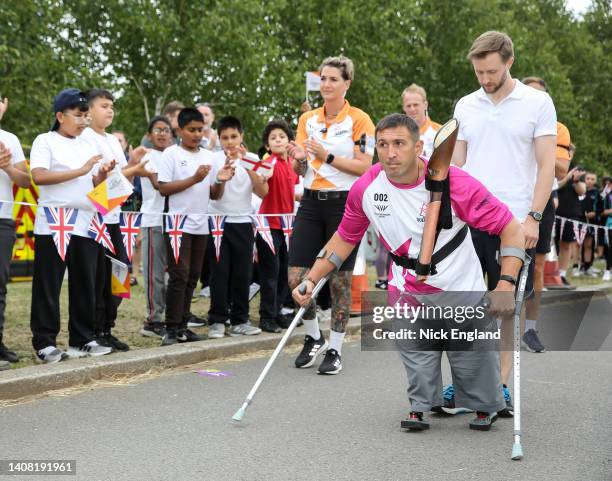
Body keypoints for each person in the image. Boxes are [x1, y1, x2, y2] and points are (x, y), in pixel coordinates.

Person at [293, 113, 525, 430]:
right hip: (407, 289)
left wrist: (505, 283)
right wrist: (312, 278)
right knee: (418, 357)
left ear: (418, 147)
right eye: (384, 144)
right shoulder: (366, 187)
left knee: (471, 360)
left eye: (399, 144)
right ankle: (422, 405)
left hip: (460, 287)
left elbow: (511, 229)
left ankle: (484, 404)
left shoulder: (455, 182)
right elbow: (344, 238)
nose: (390, 153)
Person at [451, 31, 557, 416]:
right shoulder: (465, 105)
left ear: (509, 62)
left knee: (505, 304)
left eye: (491, 71)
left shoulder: (537, 103)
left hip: (514, 219)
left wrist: (534, 217)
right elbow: (457, 166)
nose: (484, 79)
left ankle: (501, 386)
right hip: (470, 219)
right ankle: (467, 381)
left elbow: (546, 165)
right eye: (479, 72)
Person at [287, 55, 375, 374]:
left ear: (346, 83)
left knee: (339, 280)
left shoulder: (361, 119)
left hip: (344, 205)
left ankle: (335, 348)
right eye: (323, 78)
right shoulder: (307, 118)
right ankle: (313, 338)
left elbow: (366, 165)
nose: (326, 84)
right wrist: (297, 160)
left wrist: (329, 155)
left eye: (333, 79)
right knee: (296, 276)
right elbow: (300, 164)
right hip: (311, 202)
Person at [29, 88, 114, 362]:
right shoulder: (46, 140)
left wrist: (100, 175)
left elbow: (93, 184)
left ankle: (82, 338)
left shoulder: (88, 145)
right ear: (60, 116)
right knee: (49, 283)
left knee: (85, 282)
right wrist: (81, 169)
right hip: (56, 221)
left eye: (86, 116)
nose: (83, 121)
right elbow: (39, 176)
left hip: (85, 220)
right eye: (77, 115)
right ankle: (45, 341)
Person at [156, 107, 234, 346]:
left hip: (201, 223)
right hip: (178, 223)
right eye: (191, 130)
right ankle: (170, 328)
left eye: (200, 129)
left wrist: (221, 180)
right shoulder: (170, 153)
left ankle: (182, 325)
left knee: (192, 276)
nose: (197, 134)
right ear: (180, 130)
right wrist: (194, 179)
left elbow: (215, 195)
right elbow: (163, 188)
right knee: (179, 275)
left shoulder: (209, 156)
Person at [81, 88, 148, 352]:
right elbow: (101, 180)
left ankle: (107, 326)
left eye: (112, 106)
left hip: (114, 215)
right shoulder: (85, 138)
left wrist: (132, 163)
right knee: (98, 277)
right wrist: (133, 167)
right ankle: (94, 330)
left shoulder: (111, 139)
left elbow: (123, 178)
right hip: (94, 217)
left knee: (120, 272)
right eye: (104, 105)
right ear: (89, 109)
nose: (110, 110)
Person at [521, 76, 572, 352]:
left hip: (540, 203)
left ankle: (530, 328)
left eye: (539, 95)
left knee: (537, 266)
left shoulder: (557, 128)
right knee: (493, 264)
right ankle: (492, 327)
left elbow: (561, 169)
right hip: (507, 200)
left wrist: (537, 142)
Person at [207, 116, 266, 338]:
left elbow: (263, 192)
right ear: (219, 139)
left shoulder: (252, 158)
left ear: (241, 136)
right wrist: (221, 178)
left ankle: (240, 319)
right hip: (218, 222)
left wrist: (247, 163)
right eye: (225, 137)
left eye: (234, 136)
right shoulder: (213, 159)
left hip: (243, 221)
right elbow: (215, 194)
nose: (230, 142)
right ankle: (217, 320)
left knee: (243, 273)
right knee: (219, 273)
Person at [256, 120, 299, 333]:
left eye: (282, 136)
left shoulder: (291, 164)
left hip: (287, 226)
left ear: (289, 141)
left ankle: (279, 310)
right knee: (270, 273)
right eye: (273, 138)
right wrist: (263, 177)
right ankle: (266, 316)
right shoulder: (268, 162)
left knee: (284, 272)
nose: (278, 140)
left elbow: (291, 190)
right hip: (268, 225)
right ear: (267, 145)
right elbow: (262, 181)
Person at [0, 106, 31, 364]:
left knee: (0, 284)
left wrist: (9, 167)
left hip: (3, 221)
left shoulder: (10, 139)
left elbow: (25, 181)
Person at [139, 116, 172, 339]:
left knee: (173, 275)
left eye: (166, 130)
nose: (161, 134)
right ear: (150, 135)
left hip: (174, 221)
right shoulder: (147, 156)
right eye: (157, 130)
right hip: (153, 220)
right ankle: (153, 320)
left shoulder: (174, 155)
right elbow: (158, 184)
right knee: (155, 275)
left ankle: (172, 316)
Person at [401, 83, 441, 158]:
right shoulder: (398, 134)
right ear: (403, 108)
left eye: (416, 105)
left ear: (425, 105)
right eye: (408, 106)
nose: (412, 109)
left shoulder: (440, 132)